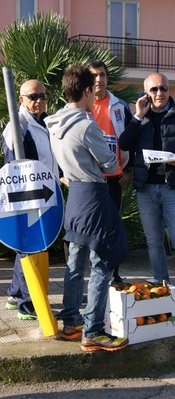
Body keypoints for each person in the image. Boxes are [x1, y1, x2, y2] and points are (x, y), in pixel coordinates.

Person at [45, 64, 129, 352]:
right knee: (103, 260)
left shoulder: (54, 124)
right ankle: (93, 331)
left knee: (75, 262)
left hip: (75, 196)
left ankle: (70, 321)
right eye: (92, 87)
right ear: (84, 91)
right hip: (93, 193)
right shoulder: (86, 124)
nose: (96, 91)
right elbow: (110, 162)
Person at [118, 72, 175, 318]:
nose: (159, 93)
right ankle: (162, 290)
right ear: (146, 93)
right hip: (146, 188)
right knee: (154, 243)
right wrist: (137, 116)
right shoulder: (140, 118)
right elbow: (124, 144)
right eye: (154, 89)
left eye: (163, 88)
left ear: (169, 91)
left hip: (174, 189)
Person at [2, 79, 62, 320]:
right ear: (21, 100)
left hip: (44, 193)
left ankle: (16, 293)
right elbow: (13, 168)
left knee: (26, 245)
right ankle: (28, 303)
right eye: (32, 96)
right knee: (32, 244)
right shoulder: (17, 128)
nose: (38, 100)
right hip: (28, 198)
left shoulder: (44, 121)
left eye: (42, 96)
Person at [85, 59, 133, 282]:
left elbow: (132, 138)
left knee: (113, 228)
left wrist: (128, 168)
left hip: (114, 179)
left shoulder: (119, 106)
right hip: (90, 181)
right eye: (94, 75)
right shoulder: (79, 106)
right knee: (91, 232)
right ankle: (94, 279)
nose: (99, 79)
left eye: (102, 74)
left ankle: (114, 276)